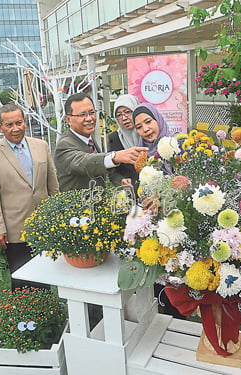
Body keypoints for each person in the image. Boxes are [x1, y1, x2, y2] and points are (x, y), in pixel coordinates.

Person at [0, 104, 59, 290]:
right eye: (9, 125)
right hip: (15, 228)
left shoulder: (41, 146)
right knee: (21, 278)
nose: (15, 128)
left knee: (45, 274)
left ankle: (48, 314)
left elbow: (52, 184)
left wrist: (57, 214)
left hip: (43, 223)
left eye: (18, 123)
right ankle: (24, 317)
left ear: (25, 122)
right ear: (0, 127)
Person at [132, 102, 184, 319]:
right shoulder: (142, 156)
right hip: (155, 224)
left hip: (180, 222)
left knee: (179, 279)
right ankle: (165, 319)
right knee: (160, 280)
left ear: (158, 120)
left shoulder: (178, 147)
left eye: (148, 122)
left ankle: (182, 321)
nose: (145, 129)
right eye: (139, 127)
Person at [54, 92, 148, 192]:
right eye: (82, 115)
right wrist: (115, 157)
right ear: (69, 119)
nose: (89, 118)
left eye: (91, 112)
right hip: (79, 206)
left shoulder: (89, 139)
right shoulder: (64, 145)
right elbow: (84, 162)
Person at [108, 94, 140, 187]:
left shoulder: (147, 133)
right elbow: (112, 171)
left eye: (127, 112)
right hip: (130, 193)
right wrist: (121, 180)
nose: (124, 118)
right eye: (119, 115)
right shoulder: (114, 138)